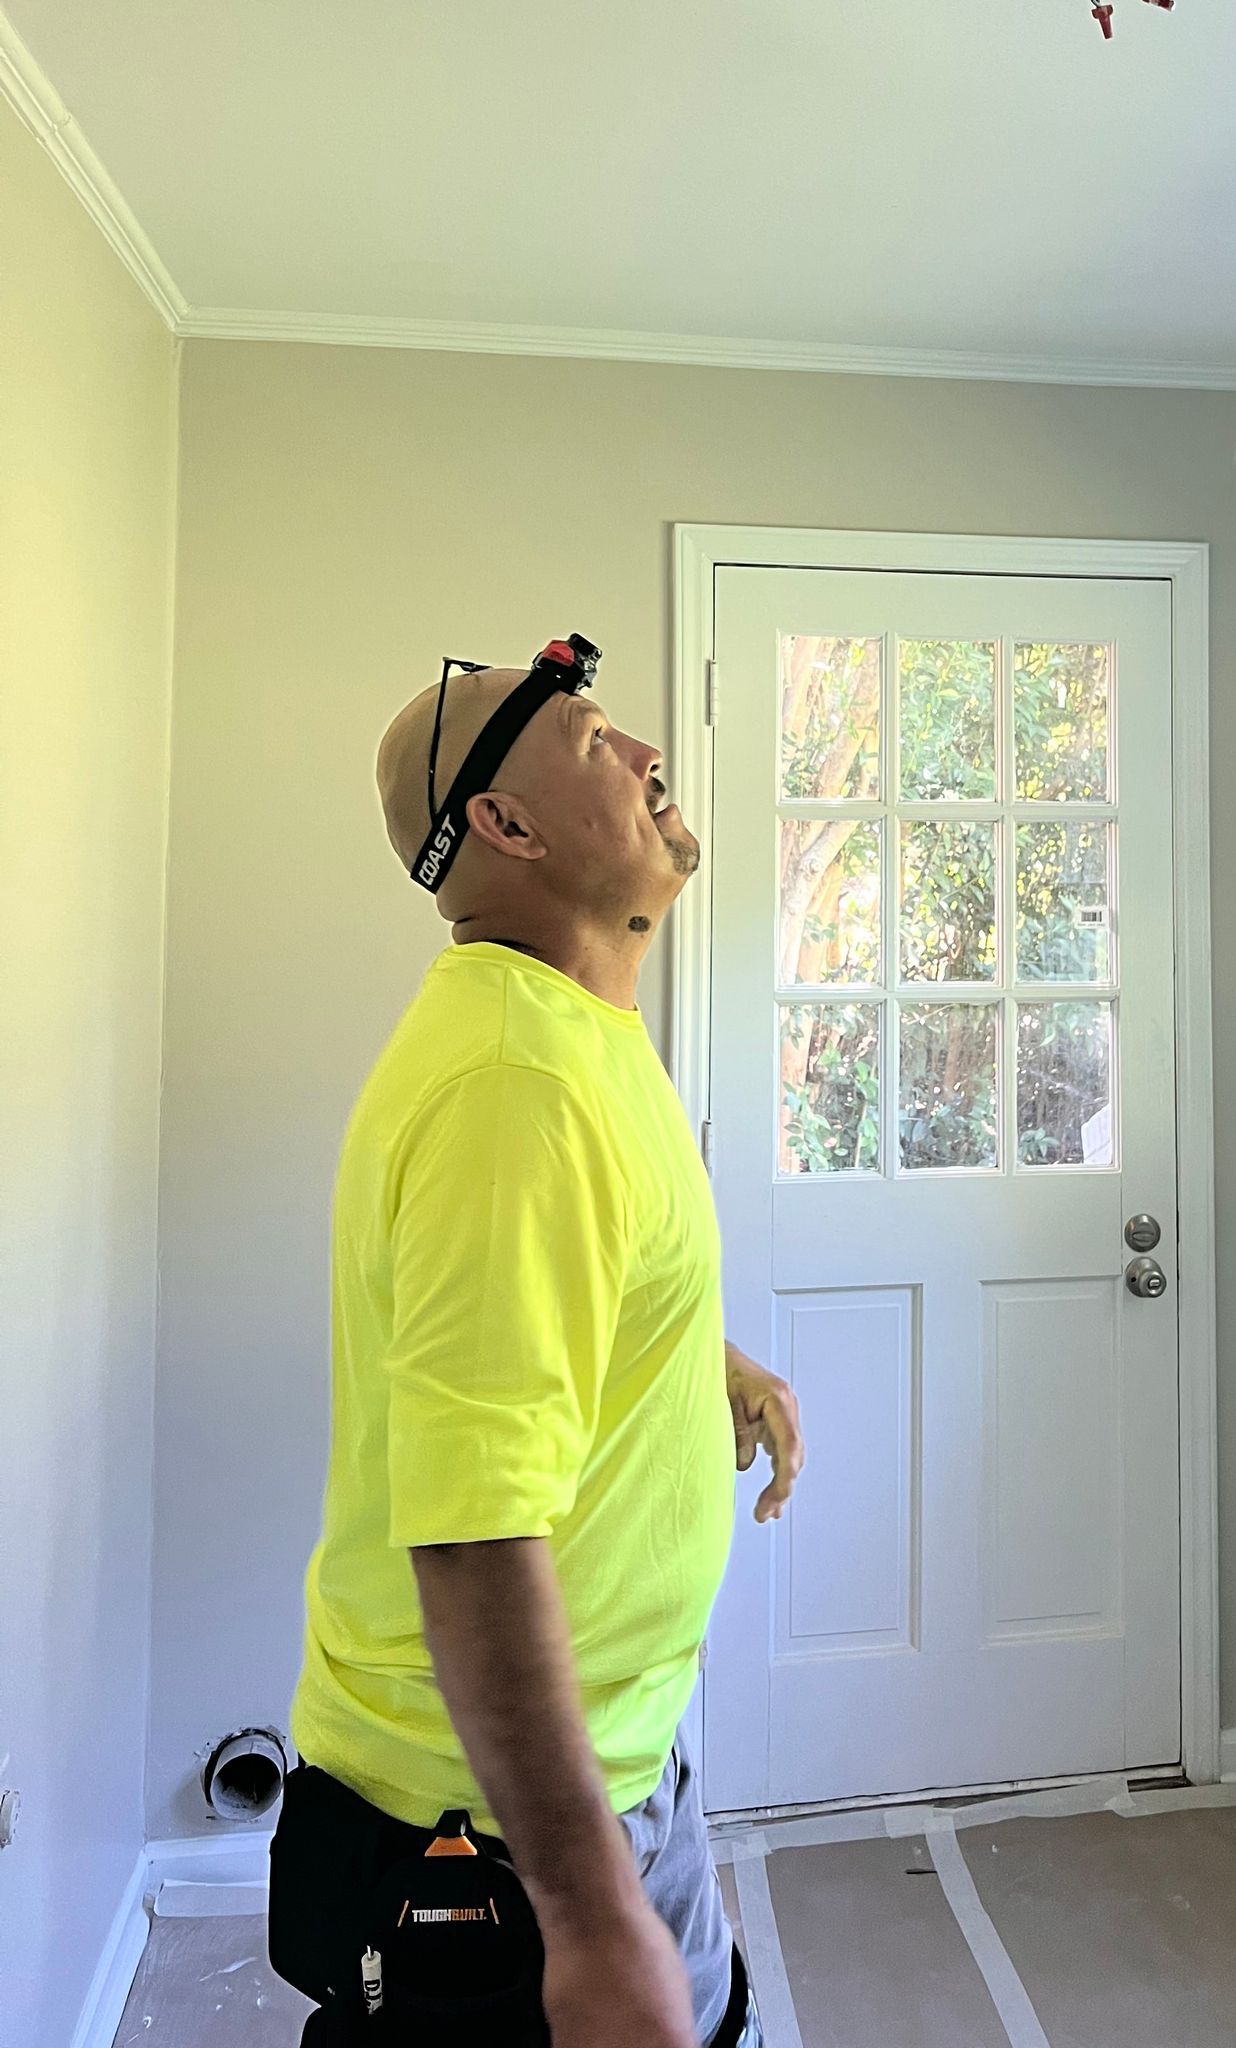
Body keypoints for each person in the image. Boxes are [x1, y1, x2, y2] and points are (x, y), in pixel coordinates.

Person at [270, 633, 802, 2048]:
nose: (640, 754)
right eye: (589, 743)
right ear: (502, 825)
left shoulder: (571, 1032)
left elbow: (578, 1303)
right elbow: (470, 1533)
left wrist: (707, 1366)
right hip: (495, 1834)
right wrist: (589, 1914)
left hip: (616, 1759)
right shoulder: (517, 1090)